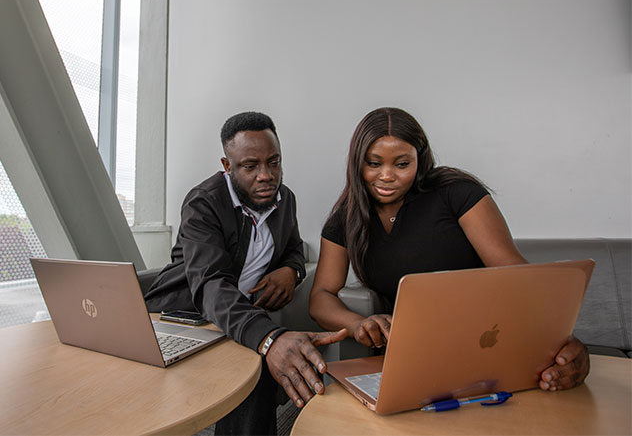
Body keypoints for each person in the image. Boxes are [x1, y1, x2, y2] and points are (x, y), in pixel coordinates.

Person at [309, 106, 589, 392]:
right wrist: (358, 324)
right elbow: (320, 297)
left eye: (402, 164)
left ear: (420, 158)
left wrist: (560, 339)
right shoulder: (345, 219)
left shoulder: (456, 193)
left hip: (489, 337)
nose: (387, 176)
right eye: (374, 163)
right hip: (417, 351)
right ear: (357, 163)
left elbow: (514, 272)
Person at [145, 111, 345, 436]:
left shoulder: (285, 199)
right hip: (181, 317)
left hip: (232, 321)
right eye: (250, 166)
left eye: (274, 162)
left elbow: (295, 248)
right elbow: (211, 285)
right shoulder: (204, 203)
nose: (266, 175)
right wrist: (268, 338)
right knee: (262, 358)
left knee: (258, 370)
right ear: (227, 166)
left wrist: (291, 272)